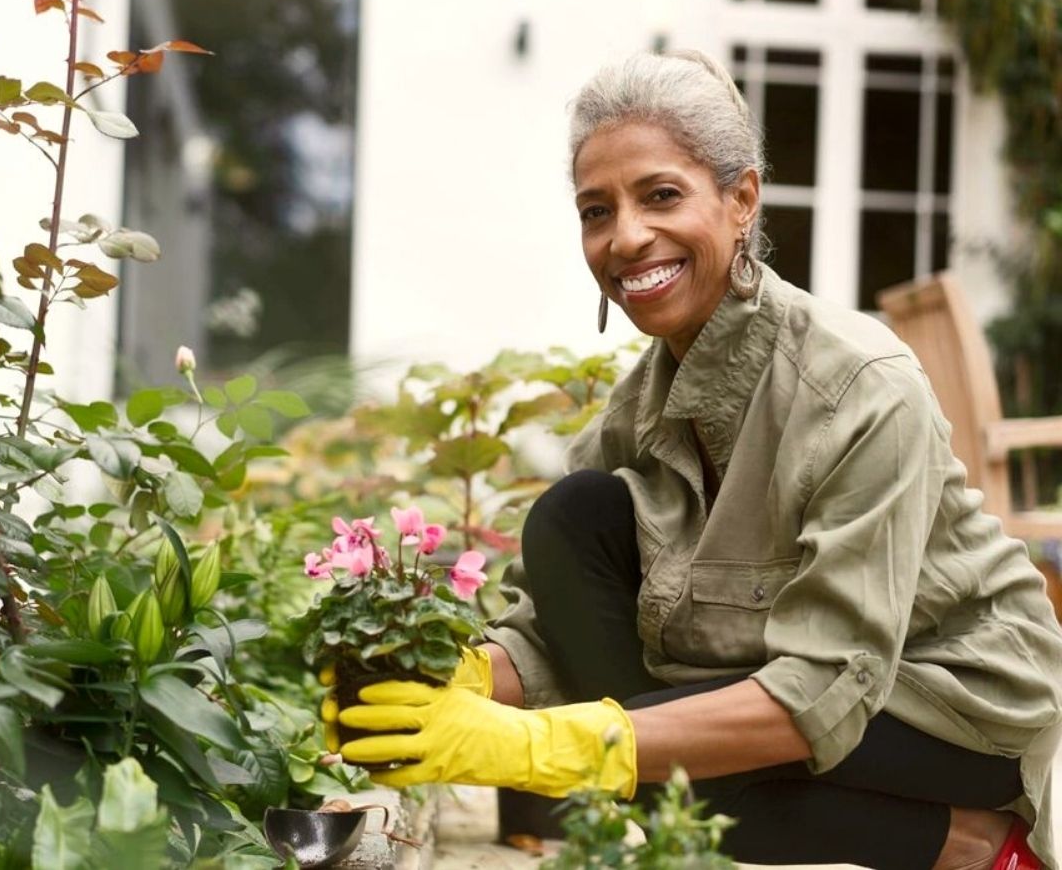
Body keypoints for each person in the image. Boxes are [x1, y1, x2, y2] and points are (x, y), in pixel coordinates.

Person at [328, 51, 1062, 870]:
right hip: (791, 683)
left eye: (662, 195)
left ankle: (983, 847)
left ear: (741, 199)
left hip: (952, 698)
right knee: (574, 516)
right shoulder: (642, 401)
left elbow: (823, 688)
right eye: (596, 210)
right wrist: (448, 683)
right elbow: (552, 629)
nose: (626, 237)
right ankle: (955, 843)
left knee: (690, 771)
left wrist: (543, 745)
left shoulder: (858, 384)